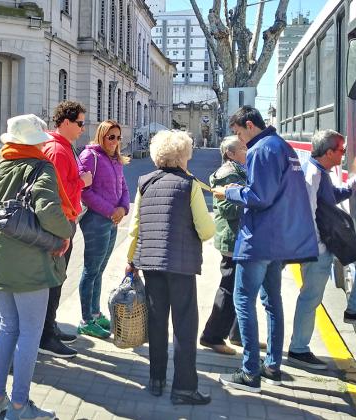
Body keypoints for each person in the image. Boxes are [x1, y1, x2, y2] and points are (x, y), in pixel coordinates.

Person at [213, 106, 318, 393]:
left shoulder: (261, 149)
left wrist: (228, 192)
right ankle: (272, 365)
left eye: (238, 132)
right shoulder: (283, 147)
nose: (240, 140)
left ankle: (250, 372)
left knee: (243, 300)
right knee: (273, 302)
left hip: (258, 238)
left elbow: (258, 196)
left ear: (249, 125)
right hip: (278, 239)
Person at [0, 114, 73, 420]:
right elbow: (48, 210)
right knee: (29, 333)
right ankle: (19, 406)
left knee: (7, 327)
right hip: (29, 260)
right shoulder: (40, 166)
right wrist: (68, 231)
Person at [125, 130, 214, 405]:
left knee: (156, 321)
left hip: (149, 262)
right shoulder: (190, 185)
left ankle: (156, 380)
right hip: (181, 265)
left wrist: (130, 261)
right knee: (184, 326)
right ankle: (184, 388)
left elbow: (135, 227)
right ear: (183, 155)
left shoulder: (144, 182)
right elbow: (206, 229)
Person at [288, 130, 356, 371]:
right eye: (341, 150)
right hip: (319, 247)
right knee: (310, 298)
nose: (344, 154)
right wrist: (317, 247)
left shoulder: (321, 173)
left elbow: (332, 198)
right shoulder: (312, 175)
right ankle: (298, 350)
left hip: (331, 242)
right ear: (328, 152)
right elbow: (306, 214)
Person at [39, 100, 92, 358]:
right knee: (55, 278)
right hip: (60, 222)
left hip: (61, 220)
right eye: (80, 123)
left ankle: (50, 326)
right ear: (66, 122)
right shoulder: (58, 150)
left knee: (57, 278)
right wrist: (82, 181)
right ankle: (46, 334)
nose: (83, 128)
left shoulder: (60, 146)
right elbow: (58, 192)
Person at [76, 120, 129, 338]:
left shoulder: (115, 159)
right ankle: (86, 319)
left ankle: (95, 313)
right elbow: (84, 192)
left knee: (99, 270)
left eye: (118, 137)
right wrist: (111, 211)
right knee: (91, 270)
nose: (115, 142)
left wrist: (124, 208)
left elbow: (124, 187)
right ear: (101, 136)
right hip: (96, 221)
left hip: (112, 221)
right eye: (111, 137)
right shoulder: (91, 156)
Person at [199, 136, 247, 356]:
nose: (247, 150)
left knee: (241, 286)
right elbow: (227, 208)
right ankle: (212, 336)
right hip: (232, 239)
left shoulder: (237, 171)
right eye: (242, 148)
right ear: (230, 153)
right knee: (229, 287)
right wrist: (253, 202)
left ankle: (237, 333)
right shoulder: (229, 174)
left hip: (236, 238)